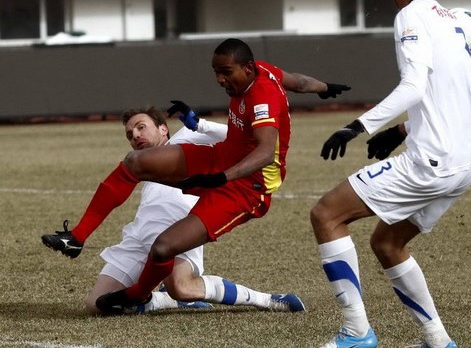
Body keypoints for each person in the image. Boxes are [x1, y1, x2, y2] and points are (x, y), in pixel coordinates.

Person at [41, 37, 351, 313]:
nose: (219, 79)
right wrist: (325, 88)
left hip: (247, 188)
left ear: (247, 69)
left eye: (225, 72)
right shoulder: (262, 69)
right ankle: (77, 237)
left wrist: (221, 178)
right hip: (222, 158)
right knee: (134, 162)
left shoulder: (262, 98)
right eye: (215, 72)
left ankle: (138, 296)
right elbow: (297, 81)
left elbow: (265, 152)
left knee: (164, 248)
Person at [311, 0, 471, 348]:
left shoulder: (409, 18)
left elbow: (414, 85)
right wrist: (401, 131)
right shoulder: (454, 20)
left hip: (431, 163)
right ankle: (438, 340)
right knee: (387, 243)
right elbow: (446, 93)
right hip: (463, 165)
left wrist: (358, 126)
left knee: (326, 215)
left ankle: (356, 333)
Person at [85, 106, 305, 315]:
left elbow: (240, 138)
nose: (135, 135)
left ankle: (267, 300)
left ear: (163, 128)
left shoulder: (186, 138)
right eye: (130, 134)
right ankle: (160, 300)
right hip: (138, 235)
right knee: (96, 304)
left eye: (141, 127)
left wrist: (201, 124)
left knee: (181, 287)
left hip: (174, 229)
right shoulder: (145, 166)